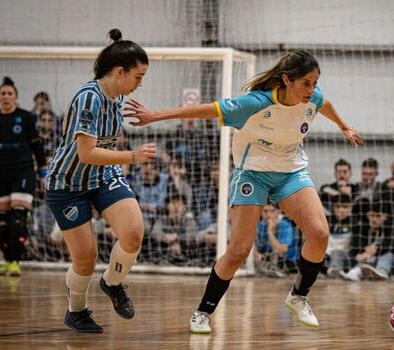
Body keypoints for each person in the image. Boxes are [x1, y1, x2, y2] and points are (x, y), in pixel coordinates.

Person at [124, 50, 364, 333]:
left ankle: (299, 297)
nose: (312, 90)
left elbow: (325, 104)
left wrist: (344, 126)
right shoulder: (255, 103)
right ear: (287, 80)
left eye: (315, 83)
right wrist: (156, 115)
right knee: (239, 250)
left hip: (291, 172)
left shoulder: (312, 97)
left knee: (320, 233)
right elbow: (207, 109)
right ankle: (203, 311)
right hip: (253, 173)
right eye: (306, 83)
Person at [45, 29, 156, 333]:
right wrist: (132, 157)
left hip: (102, 176)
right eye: (138, 76)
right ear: (120, 72)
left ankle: (113, 282)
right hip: (67, 184)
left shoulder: (116, 98)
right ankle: (76, 311)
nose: (140, 83)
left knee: (133, 232)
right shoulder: (88, 98)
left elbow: (102, 151)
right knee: (86, 258)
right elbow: (86, 153)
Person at [0, 76, 48, 276]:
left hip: (23, 172)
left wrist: (43, 174)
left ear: (16, 97)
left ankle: (16, 263)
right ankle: (7, 259)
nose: (6, 96)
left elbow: (37, 146)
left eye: (10, 93)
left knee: (18, 220)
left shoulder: (26, 117)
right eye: (3, 93)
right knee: (2, 223)